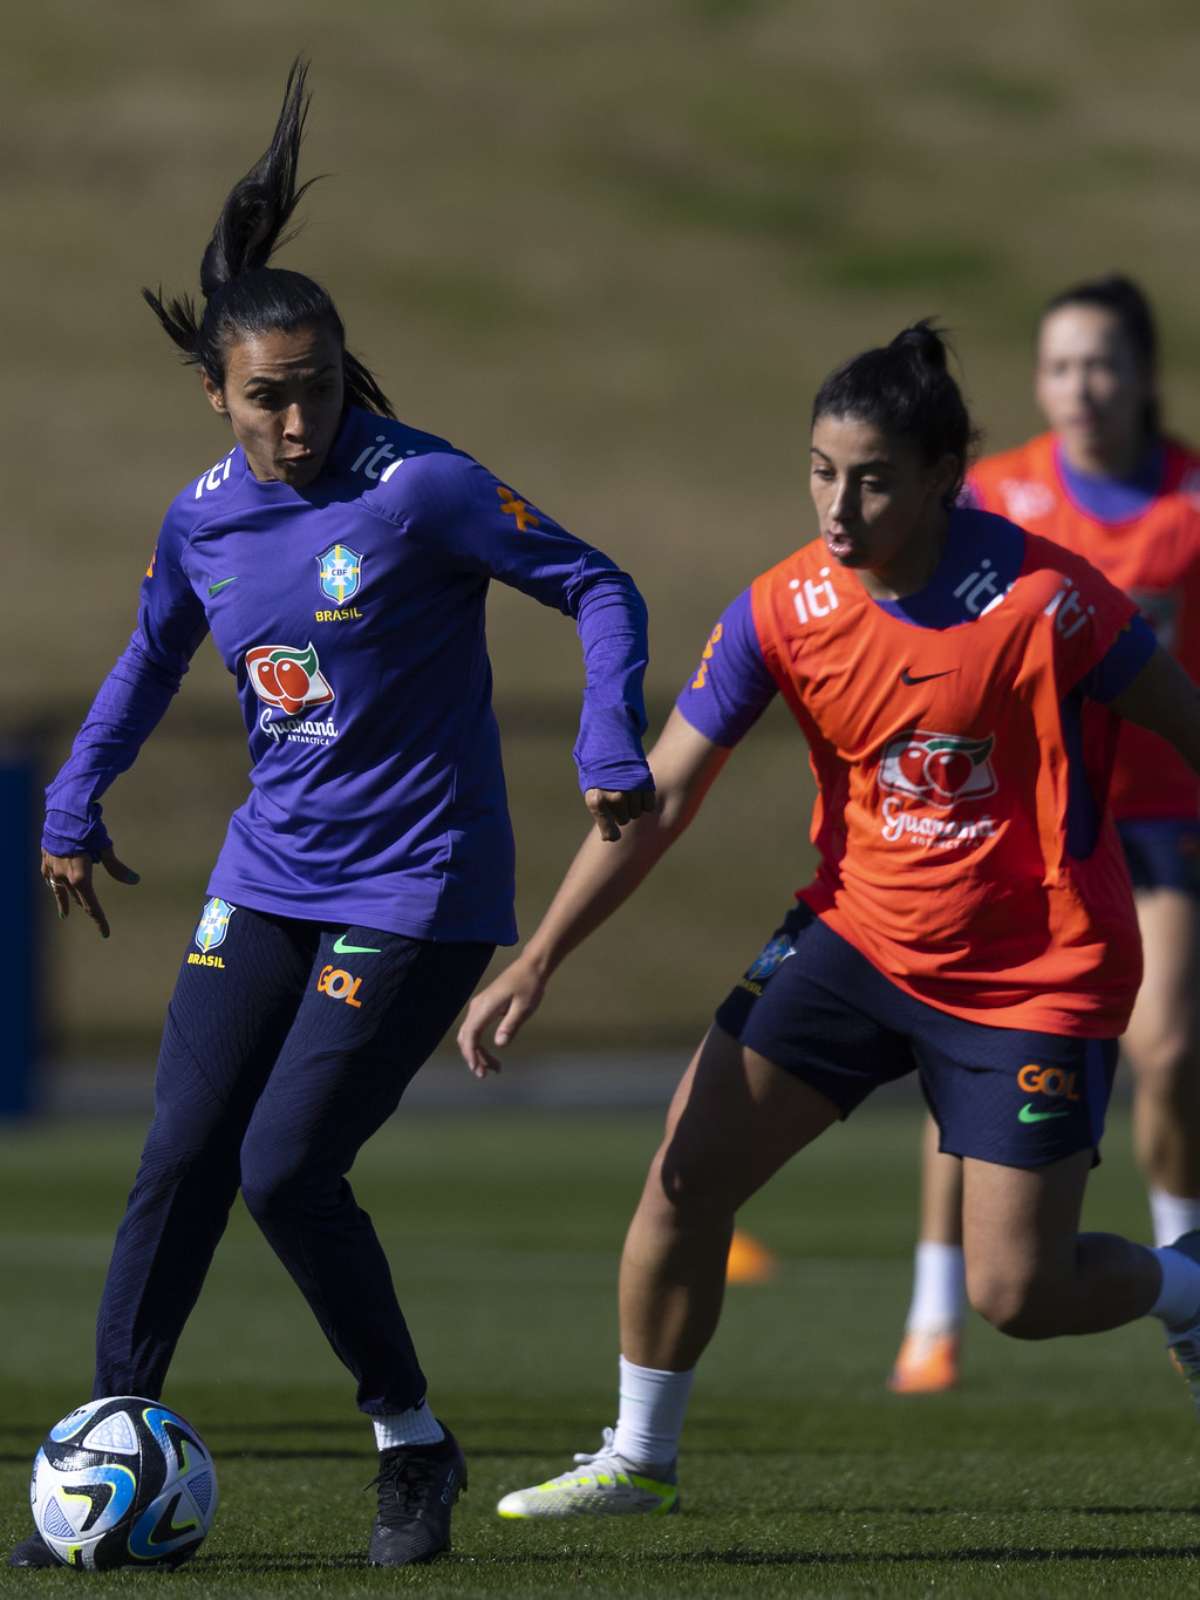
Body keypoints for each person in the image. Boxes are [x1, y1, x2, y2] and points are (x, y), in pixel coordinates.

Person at [11, 61, 655, 1569]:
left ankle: (409, 1443)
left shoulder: (417, 488)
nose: (300, 418)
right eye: (269, 395)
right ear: (218, 394)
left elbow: (598, 583)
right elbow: (152, 649)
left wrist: (607, 732)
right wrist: (71, 792)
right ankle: (111, 1454)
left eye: (319, 384)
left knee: (285, 1169)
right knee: (178, 1158)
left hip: (420, 885)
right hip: (271, 872)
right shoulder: (203, 515)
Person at [457, 321, 1200, 1520]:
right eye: (819, 469)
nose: (838, 504)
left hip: (1033, 970)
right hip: (853, 939)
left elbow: (1188, 725)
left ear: (943, 474)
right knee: (687, 1177)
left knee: (1019, 1294)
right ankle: (637, 1459)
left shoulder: (1044, 599)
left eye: (871, 477)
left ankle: (1185, 1286)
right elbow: (665, 794)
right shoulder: (782, 606)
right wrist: (537, 959)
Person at [889, 276, 1200, 1396]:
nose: (1084, 386)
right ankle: (933, 1311)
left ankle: (1185, 1269)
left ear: (1144, 375)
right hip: (1019, 826)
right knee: (957, 1063)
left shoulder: (1189, 502)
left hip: (1159, 821)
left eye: (1104, 363)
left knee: (1168, 1050)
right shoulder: (1002, 496)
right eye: (1063, 365)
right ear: (1039, 382)